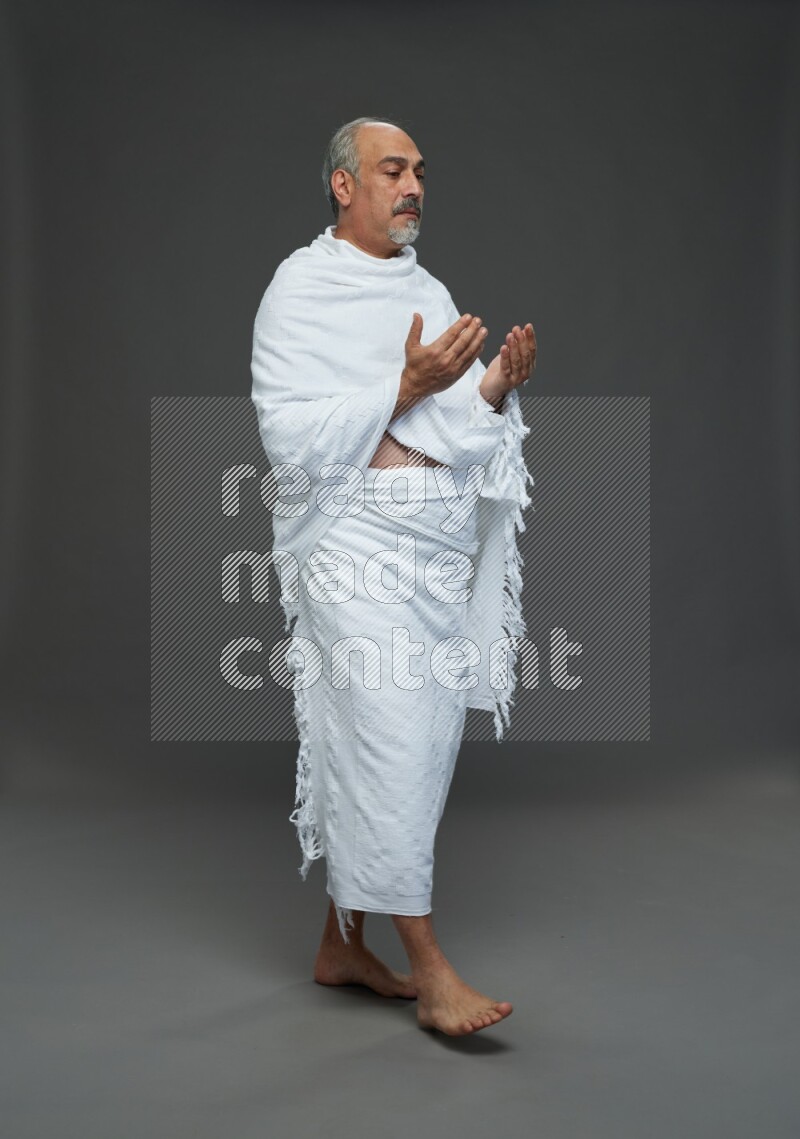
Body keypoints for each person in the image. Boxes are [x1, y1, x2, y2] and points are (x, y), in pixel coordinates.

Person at [250, 117, 536, 1036]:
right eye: (392, 169)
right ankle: (431, 966)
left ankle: (341, 946)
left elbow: (451, 430)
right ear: (344, 185)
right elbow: (288, 433)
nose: (413, 185)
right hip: (347, 544)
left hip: (428, 553)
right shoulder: (300, 288)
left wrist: (491, 387)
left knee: (405, 743)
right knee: (389, 739)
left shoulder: (426, 289)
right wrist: (402, 388)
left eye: (419, 172)